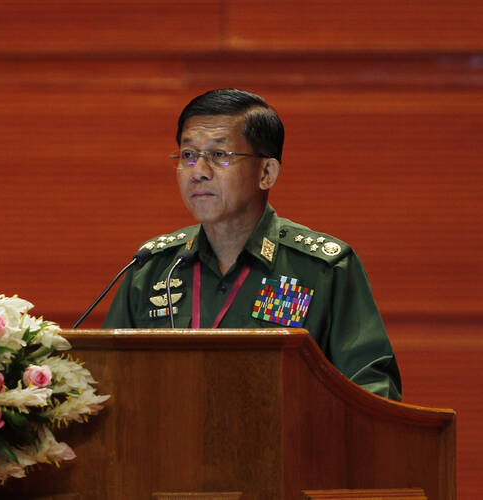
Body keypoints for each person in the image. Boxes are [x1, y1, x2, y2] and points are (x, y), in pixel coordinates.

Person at [102, 88, 402, 401]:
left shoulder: (323, 269)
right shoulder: (151, 268)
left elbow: (372, 392)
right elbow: (106, 384)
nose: (199, 172)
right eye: (188, 156)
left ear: (266, 172)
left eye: (220, 156)